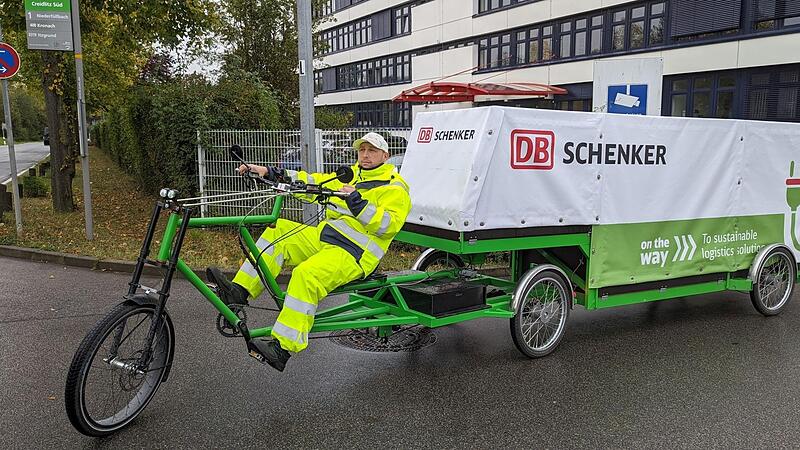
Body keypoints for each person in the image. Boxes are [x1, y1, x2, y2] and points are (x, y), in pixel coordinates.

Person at [207, 132, 411, 372]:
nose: (365, 155)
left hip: (355, 253)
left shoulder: (395, 188)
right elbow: (313, 181)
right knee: (278, 231)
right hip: (325, 238)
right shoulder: (351, 174)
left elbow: (388, 226)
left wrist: (356, 202)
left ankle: (282, 348)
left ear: (385, 156)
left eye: (372, 151)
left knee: (305, 275)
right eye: (362, 150)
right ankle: (238, 291)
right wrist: (269, 172)